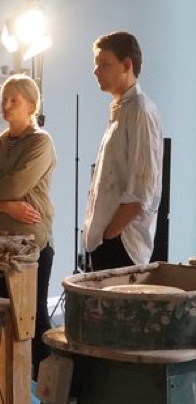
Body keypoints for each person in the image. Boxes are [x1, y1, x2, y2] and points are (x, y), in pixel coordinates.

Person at [0, 74, 56, 380]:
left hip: (30, 244)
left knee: (33, 316)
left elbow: (14, 186)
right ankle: (9, 385)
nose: (6, 105)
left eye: (13, 100)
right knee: (1, 315)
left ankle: (45, 387)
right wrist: (6, 206)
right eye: (4, 99)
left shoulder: (40, 142)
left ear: (31, 105)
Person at [83, 31, 163, 271]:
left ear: (127, 65)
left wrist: (110, 234)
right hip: (106, 240)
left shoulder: (141, 110)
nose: (96, 71)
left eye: (104, 64)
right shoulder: (122, 109)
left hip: (122, 244)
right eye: (96, 64)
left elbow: (142, 189)